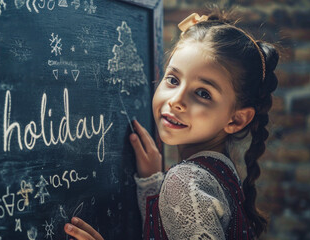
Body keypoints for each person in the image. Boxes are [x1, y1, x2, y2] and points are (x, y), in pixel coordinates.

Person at [64, 7, 279, 240]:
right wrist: (152, 184)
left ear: (236, 119)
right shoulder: (222, 173)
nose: (176, 101)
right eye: (173, 80)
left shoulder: (185, 181)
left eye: (203, 93)